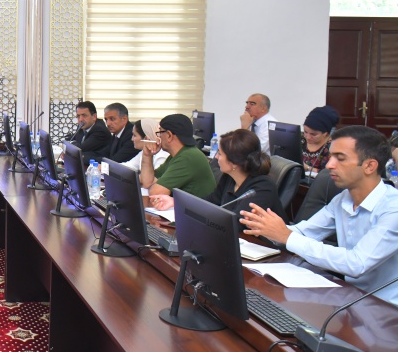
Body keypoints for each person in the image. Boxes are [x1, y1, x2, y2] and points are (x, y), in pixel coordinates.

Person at [241, 125, 398, 307]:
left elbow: (357, 263)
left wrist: (286, 235)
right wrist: (266, 228)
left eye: (340, 158)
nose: (329, 165)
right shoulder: (343, 199)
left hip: (386, 309)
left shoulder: (393, 208)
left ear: (369, 166)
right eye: (331, 157)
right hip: (350, 297)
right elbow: (303, 232)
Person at [150, 129, 285, 225]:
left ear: (233, 163)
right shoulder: (229, 178)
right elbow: (210, 201)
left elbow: (238, 223)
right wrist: (175, 202)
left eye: (220, 154)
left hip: (265, 252)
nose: (216, 157)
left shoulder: (262, 187)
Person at [141, 113, 216, 198]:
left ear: (169, 135)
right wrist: (147, 155)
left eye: (160, 133)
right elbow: (147, 183)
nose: (158, 137)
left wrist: (154, 187)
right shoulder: (178, 154)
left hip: (196, 210)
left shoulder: (188, 157)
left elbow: (155, 193)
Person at [302, 105, 339, 176]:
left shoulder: (332, 148)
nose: (308, 137)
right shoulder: (301, 140)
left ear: (326, 133)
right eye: (305, 132)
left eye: (313, 134)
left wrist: (307, 168)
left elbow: (330, 174)